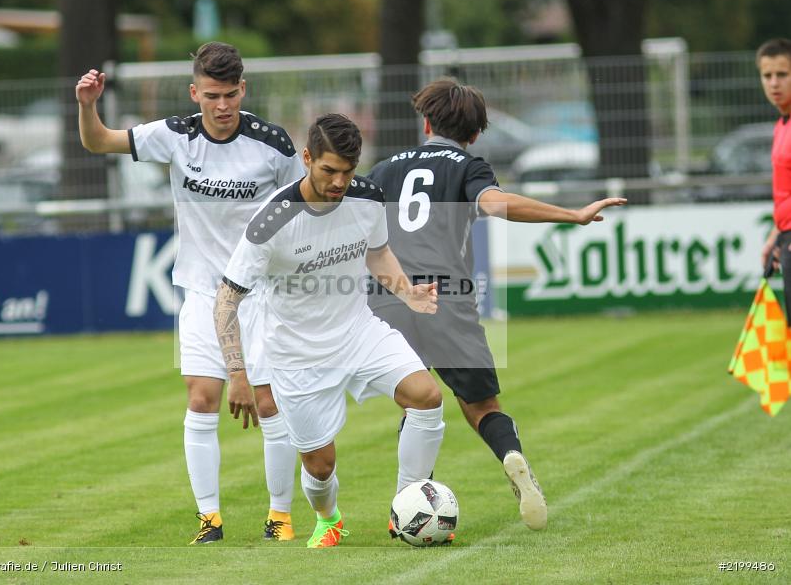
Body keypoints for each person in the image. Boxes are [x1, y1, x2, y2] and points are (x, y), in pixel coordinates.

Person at [367, 78, 627, 531]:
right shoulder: (468, 164)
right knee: (482, 406)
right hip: (446, 298)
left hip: (389, 297)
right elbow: (497, 205)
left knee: (418, 404)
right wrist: (573, 214)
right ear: (475, 133)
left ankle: (405, 509)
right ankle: (511, 456)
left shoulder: (385, 168)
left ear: (426, 121)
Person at [75, 42, 305, 544]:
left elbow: (302, 205)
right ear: (195, 92)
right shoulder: (174, 136)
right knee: (202, 399)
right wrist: (88, 105)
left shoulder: (275, 144)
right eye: (212, 96)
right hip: (202, 289)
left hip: (263, 292)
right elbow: (99, 143)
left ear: (243, 90)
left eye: (230, 95)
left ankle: (280, 518)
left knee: (269, 402)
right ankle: (209, 520)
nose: (222, 107)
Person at [214, 114, 446, 548]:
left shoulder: (369, 197)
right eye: (329, 170)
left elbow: (377, 253)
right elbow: (227, 298)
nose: (340, 181)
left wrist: (407, 293)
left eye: (347, 171)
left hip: (358, 332)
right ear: (307, 159)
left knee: (427, 397)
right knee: (320, 467)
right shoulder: (271, 222)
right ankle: (329, 517)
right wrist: (237, 373)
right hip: (297, 356)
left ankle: (405, 509)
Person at [757, 38, 791, 317]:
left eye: (782, 74)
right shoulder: (782, 125)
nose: (774, 83)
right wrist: (777, 234)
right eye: (767, 75)